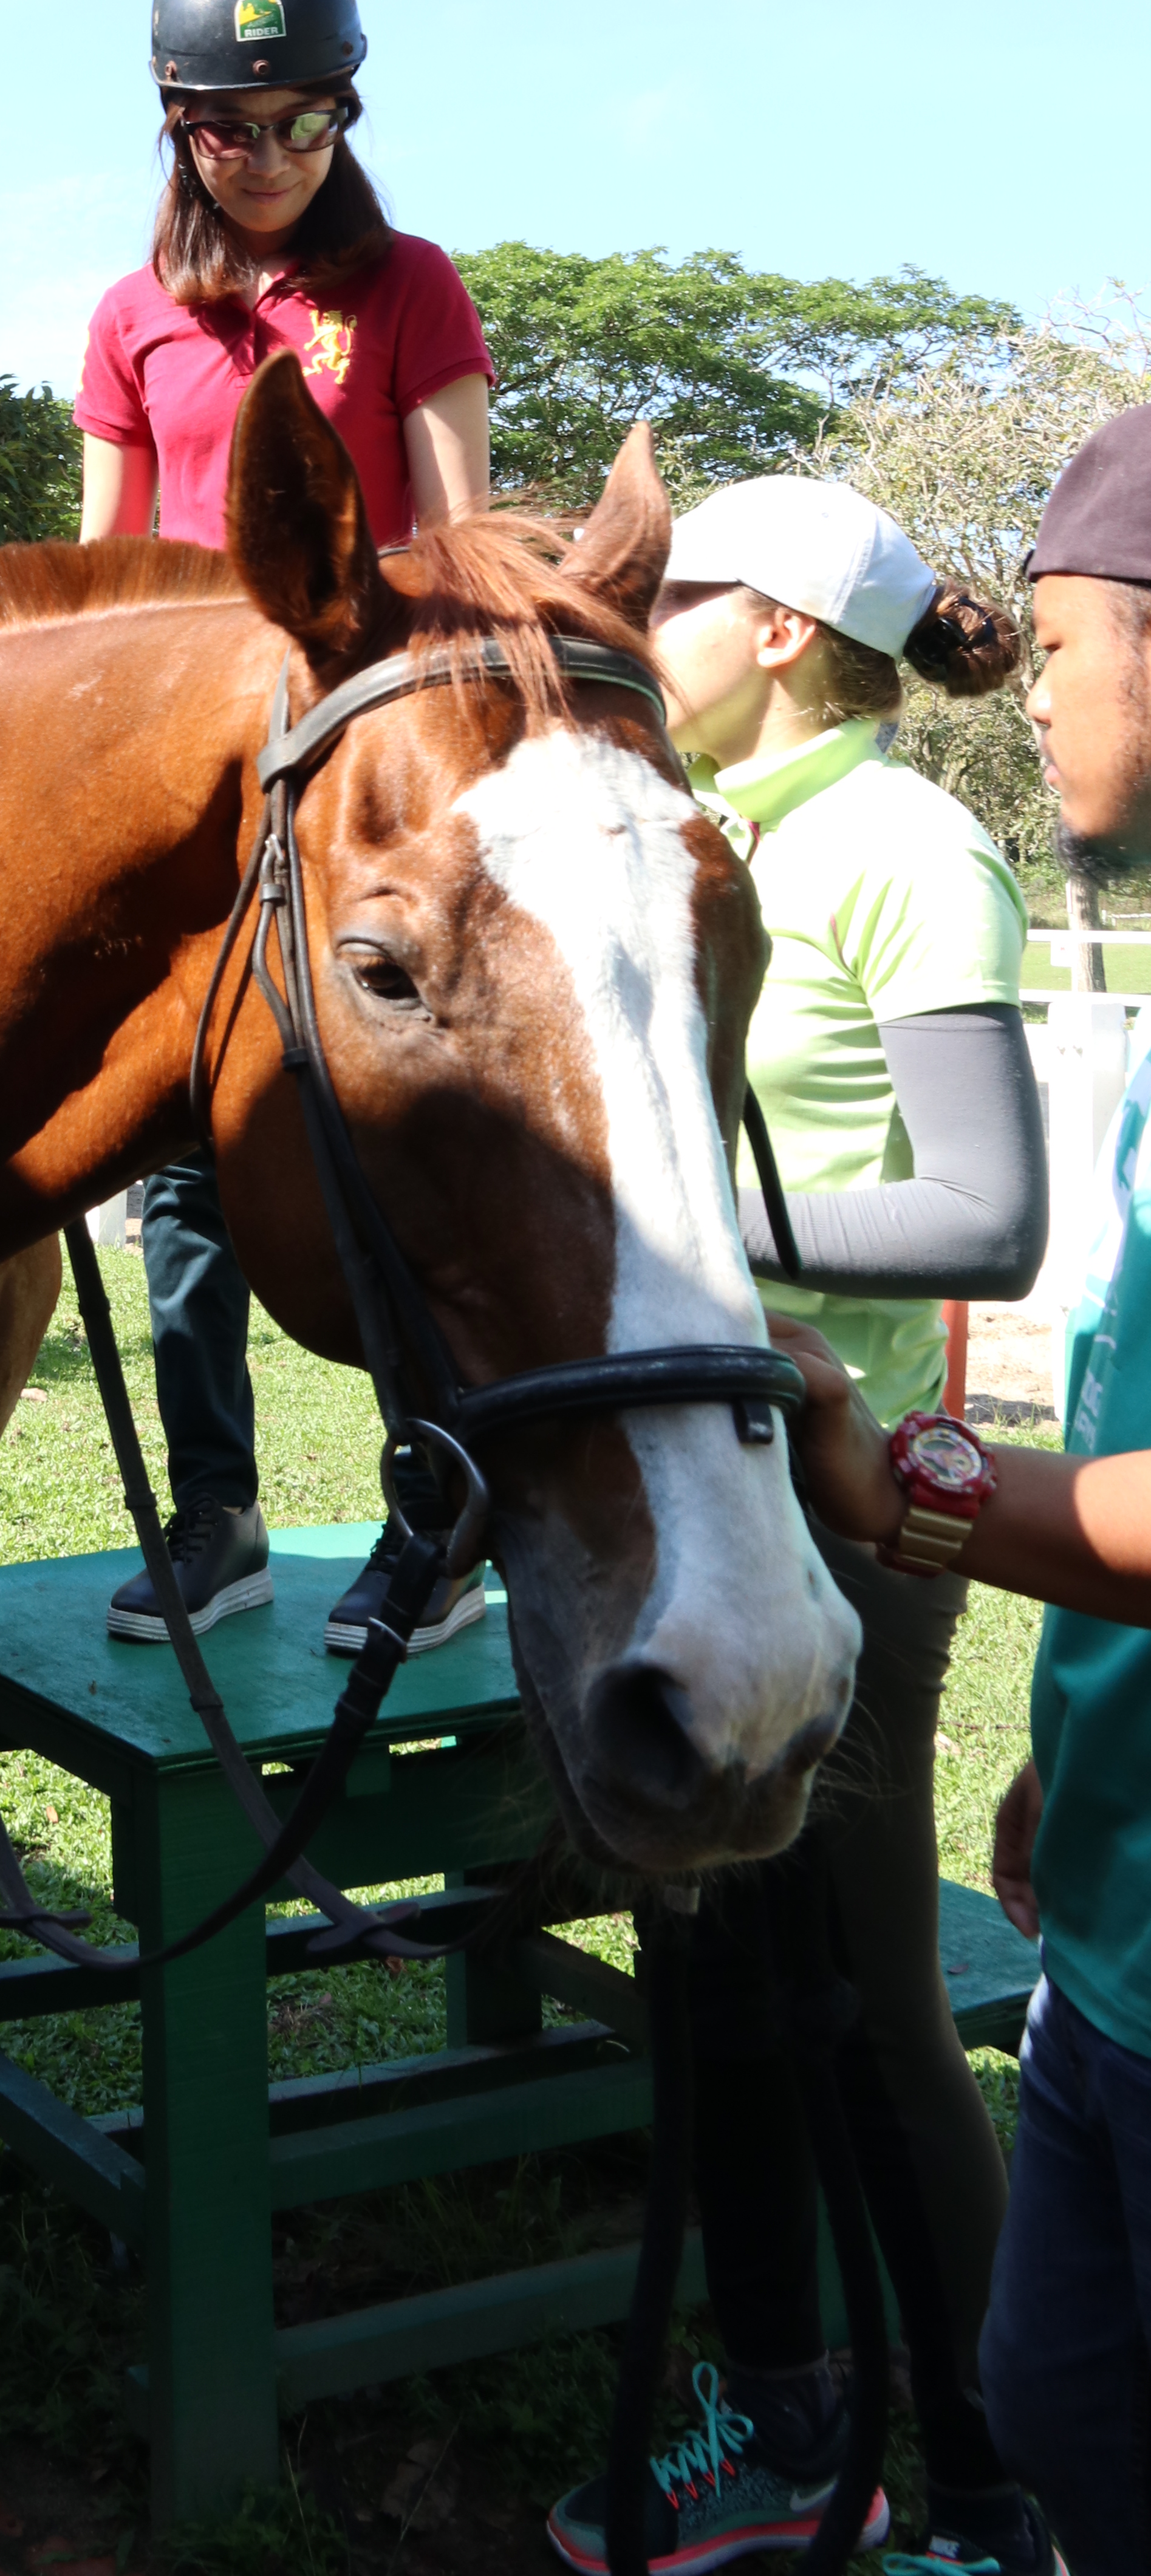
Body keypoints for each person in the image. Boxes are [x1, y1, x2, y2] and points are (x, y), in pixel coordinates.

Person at [545, 477, 1053, 2576]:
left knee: (863, 2010)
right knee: (716, 1991)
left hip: (843, 1505)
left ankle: (1003, 2487)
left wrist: (671, 1219)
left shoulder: (914, 850)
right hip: (684, 1482)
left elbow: (986, 1213)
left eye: (661, 598)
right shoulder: (688, 831)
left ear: (768, 627)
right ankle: (776, 2429)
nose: (630, 622)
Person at [783, 401, 1151, 2576]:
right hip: (1108, 1921)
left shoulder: (913, 853)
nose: (1041, 692)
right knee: (1056, 2409)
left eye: (1074, 635)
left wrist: (908, 1478)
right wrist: (1071, 1758)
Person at [72, 0, 494, 1652]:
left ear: (349, 116)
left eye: (301, 120)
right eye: (225, 124)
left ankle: (442, 1522)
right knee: (182, 1177)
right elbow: (97, 580)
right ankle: (215, 1518)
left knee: (392, 1152)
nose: (263, 157)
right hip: (199, 788)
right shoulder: (128, 314)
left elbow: (462, 543)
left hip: (372, 774)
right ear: (175, 124)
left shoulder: (412, 290)